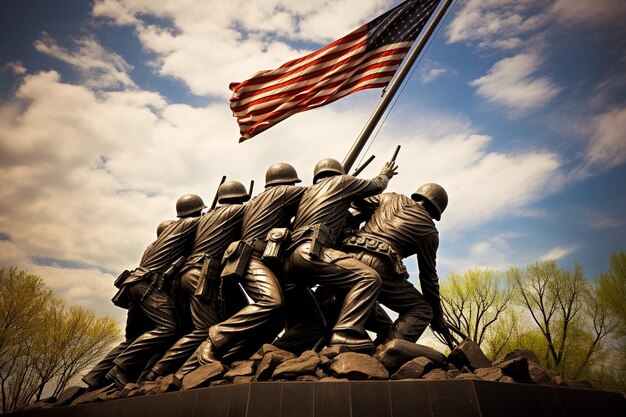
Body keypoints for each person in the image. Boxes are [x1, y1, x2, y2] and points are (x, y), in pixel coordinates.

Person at [274, 157, 397, 353]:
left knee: (313, 325)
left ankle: (274, 351)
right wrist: (385, 174)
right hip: (311, 253)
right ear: (339, 174)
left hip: (288, 264)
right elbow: (376, 185)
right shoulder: (341, 182)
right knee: (369, 278)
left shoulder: (306, 193)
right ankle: (346, 333)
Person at [82, 194, 205, 389]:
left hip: (135, 286)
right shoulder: (186, 225)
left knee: (134, 337)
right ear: (196, 210)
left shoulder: (154, 244)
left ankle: (96, 376)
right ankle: (120, 369)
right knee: (168, 328)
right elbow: (209, 222)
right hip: (147, 286)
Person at [196, 163, 306, 365]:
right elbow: (316, 193)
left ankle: (232, 359)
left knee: (275, 319)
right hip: (251, 257)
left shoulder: (257, 201)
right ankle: (215, 337)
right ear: (289, 182)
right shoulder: (281, 192)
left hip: (248, 257)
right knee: (271, 301)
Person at [141, 181, 251, 381]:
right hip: (200, 274)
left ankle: (158, 371)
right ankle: (163, 371)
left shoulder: (206, 219)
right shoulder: (235, 212)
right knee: (204, 329)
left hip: (186, 276)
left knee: (204, 324)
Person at [339, 183, 449, 343]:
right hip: (380, 265)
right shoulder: (430, 232)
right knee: (422, 310)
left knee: (377, 315)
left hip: (348, 256)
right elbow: (428, 278)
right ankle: (387, 355)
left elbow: (355, 201)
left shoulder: (389, 197)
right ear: (435, 211)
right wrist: (437, 316)